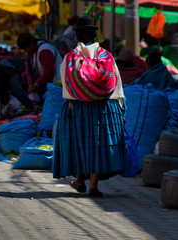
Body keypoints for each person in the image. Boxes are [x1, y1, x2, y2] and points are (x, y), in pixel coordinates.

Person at [53, 16, 126, 197]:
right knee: (98, 145)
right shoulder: (107, 57)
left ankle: (79, 180)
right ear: (95, 35)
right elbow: (116, 83)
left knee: (80, 143)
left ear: (77, 36)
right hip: (105, 108)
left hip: (77, 107)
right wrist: (121, 109)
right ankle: (93, 186)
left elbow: (66, 84)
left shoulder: (70, 58)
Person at [17, 32, 63, 102]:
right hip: (47, 87)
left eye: (26, 48)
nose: (26, 51)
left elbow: (48, 72)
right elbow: (29, 70)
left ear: (31, 44)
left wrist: (36, 85)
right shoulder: (31, 52)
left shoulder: (45, 50)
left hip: (57, 86)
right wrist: (30, 84)